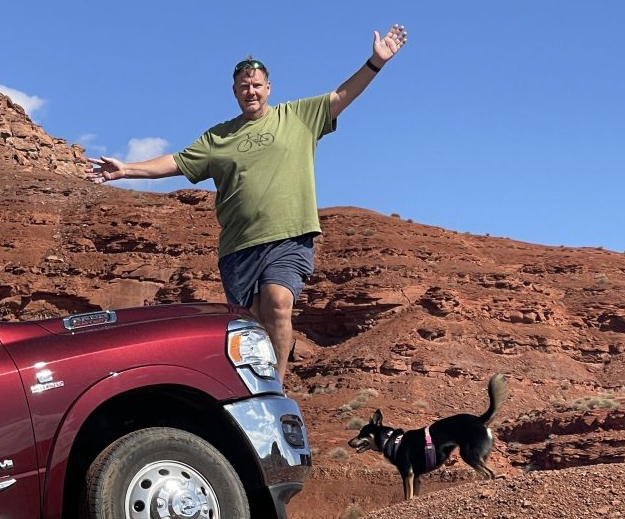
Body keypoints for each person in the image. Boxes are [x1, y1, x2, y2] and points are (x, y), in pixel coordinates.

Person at [89, 25, 408, 382]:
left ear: (268, 88)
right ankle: (255, 385)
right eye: (244, 87)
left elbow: (341, 96)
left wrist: (375, 63)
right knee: (253, 325)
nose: (251, 91)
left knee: (278, 303)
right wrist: (126, 169)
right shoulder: (218, 137)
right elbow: (177, 162)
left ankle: (277, 389)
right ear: (235, 92)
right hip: (239, 248)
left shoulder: (298, 116)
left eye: (256, 85)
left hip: (288, 237)